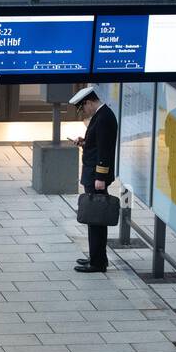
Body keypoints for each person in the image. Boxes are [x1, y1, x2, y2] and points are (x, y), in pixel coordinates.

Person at [70, 85, 118, 273]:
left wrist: (100, 176)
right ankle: (96, 256)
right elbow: (97, 143)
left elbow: (104, 151)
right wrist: (85, 142)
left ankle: (98, 262)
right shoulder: (101, 115)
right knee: (94, 217)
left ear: (89, 102)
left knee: (96, 217)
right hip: (93, 173)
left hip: (96, 176)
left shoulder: (104, 117)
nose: (84, 112)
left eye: (83, 108)